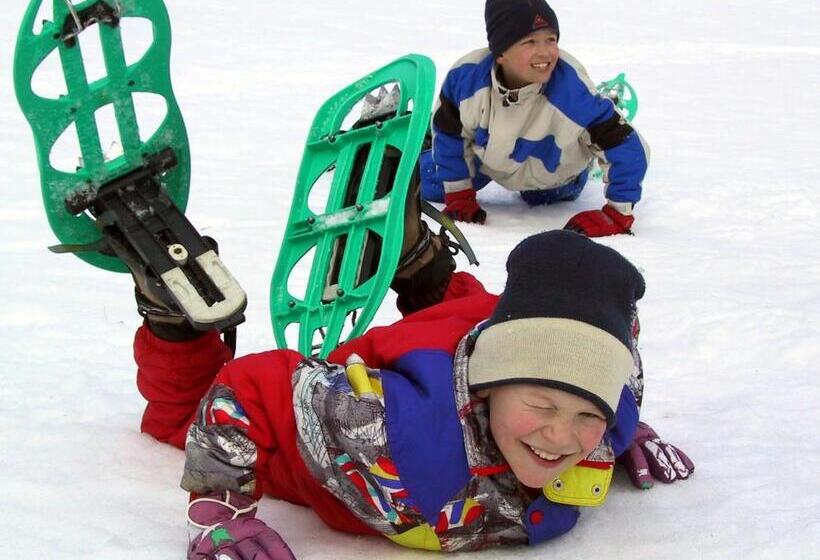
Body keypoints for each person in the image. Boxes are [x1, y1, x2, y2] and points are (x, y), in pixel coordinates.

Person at [129, 213, 692, 556]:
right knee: (180, 420)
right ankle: (173, 313)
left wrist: (625, 433)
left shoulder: (609, 411)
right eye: (544, 405)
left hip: (485, 333)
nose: (562, 436)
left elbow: (601, 388)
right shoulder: (388, 428)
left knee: (480, 318)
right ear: (489, 389)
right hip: (372, 407)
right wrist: (222, 506)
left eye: (587, 416)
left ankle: (421, 266)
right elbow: (252, 386)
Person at [421, 0, 649, 237]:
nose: (545, 52)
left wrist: (617, 213)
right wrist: (459, 194)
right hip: (490, 157)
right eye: (530, 42)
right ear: (500, 53)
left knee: (541, 197)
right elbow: (449, 133)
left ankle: (599, 119)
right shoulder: (466, 78)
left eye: (551, 39)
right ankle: (417, 136)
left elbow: (630, 148)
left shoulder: (572, 92)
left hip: (554, 171)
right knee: (426, 182)